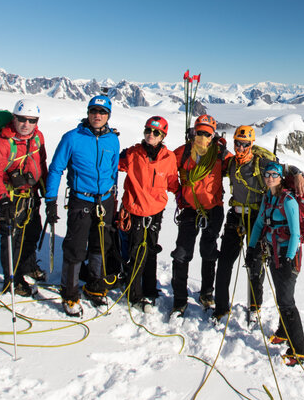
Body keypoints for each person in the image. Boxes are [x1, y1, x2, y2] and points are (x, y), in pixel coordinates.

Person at [45, 95, 121, 317]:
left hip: (105, 199)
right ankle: (70, 293)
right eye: (93, 111)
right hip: (82, 199)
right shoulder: (72, 138)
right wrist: (51, 200)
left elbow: (113, 170)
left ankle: (94, 287)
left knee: (100, 245)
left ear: (108, 116)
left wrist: (113, 198)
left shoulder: (112, 140)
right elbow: (56, 168)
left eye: (102, 112)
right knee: (76, 248)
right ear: (88, 113)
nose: (97, 115)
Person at [212, 125, 276, 321]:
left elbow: (283, 173)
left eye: (244, 145)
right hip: (236, 215)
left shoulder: (262, 164)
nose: (240, 148)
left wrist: (298, 175)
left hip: (257, 217)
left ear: (251, 144)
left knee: (255, 264)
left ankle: (255, 308)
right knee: (224, 263)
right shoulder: (231, 163)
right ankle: (221, 307)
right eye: (237, 144)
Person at [0, 99, 48, 296]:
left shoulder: (37, 138)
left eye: (31, 120)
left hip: (31, 195)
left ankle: (28, 265)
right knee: (12, 239)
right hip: (10, 198)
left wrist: (47, 189)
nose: (26, 124)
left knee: (32, 232)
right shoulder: (2, 142)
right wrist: (2, 200)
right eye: (22, 119)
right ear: (14, 118)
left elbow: (42, 163)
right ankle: (12, 279)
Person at [170, 114, 231, 316]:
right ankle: (179, 300)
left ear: (213, 135)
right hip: (189, 207)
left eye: (207, 133)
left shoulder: (220, 154)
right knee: (182, 253)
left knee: (209, 252)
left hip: (213, 209)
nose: (202, 137)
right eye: (199, 132)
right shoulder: (184, 152)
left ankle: (207, 293)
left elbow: (239, 167)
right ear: (193, 131)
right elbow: (165, 166)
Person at [249, 161, 304, 366]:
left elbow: (296, 234)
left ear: (281, 177)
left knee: (287, 302)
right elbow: (258, 224)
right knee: (282, 297)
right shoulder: (268, 198)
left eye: (274, 174)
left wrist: (288, 258)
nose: (270, 177)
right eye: (267, 174)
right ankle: (283, 333)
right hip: (274, 254)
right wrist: (251, 248)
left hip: (287, 257)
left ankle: (299, 351)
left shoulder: (288, 200)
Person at [117, 114, 179, 310]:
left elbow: (172, 183)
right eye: (148, 131)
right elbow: (114, 164)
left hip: (155, 211)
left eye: (156, 132)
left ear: (163, 136)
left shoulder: (169, 158)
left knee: (150, 249)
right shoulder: (133, 153)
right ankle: (134, 294)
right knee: (137, 250)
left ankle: (150, 289)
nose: (150, 135)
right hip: (134, 209)